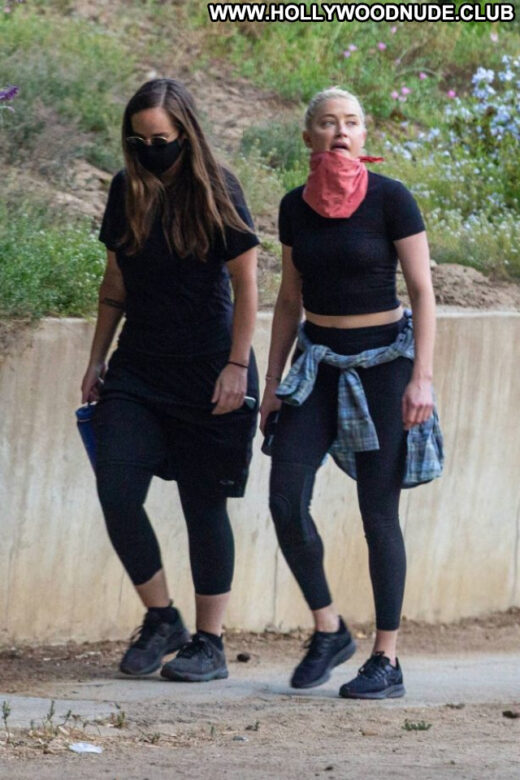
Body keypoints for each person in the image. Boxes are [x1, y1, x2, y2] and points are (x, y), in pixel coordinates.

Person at [260, 87, 443, 700]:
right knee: (285, 498)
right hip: (317, 365)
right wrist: (272, 385)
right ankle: (328, 628)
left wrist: (422, 377)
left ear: (364, 136)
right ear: (308, 135)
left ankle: (386, 659)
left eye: (352, 122)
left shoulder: (392, 198)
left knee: (377, 514)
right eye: (327, 122)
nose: (340, 131)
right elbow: (289, 299)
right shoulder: (294, 207)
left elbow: (422, 292)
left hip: (385, 366)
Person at [81, 78, 259, 682]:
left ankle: (209, 643)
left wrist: (237, 366)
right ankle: (162, 619)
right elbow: (114, 285)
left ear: (186, 132)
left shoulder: (218, 189)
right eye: (139, 140)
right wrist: (96, 359)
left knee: (203, 504)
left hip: (210, 369)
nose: (151, 149)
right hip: (138, 368)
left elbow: (247, 286)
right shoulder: (125, 189)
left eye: (161, 139)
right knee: (116, 489)